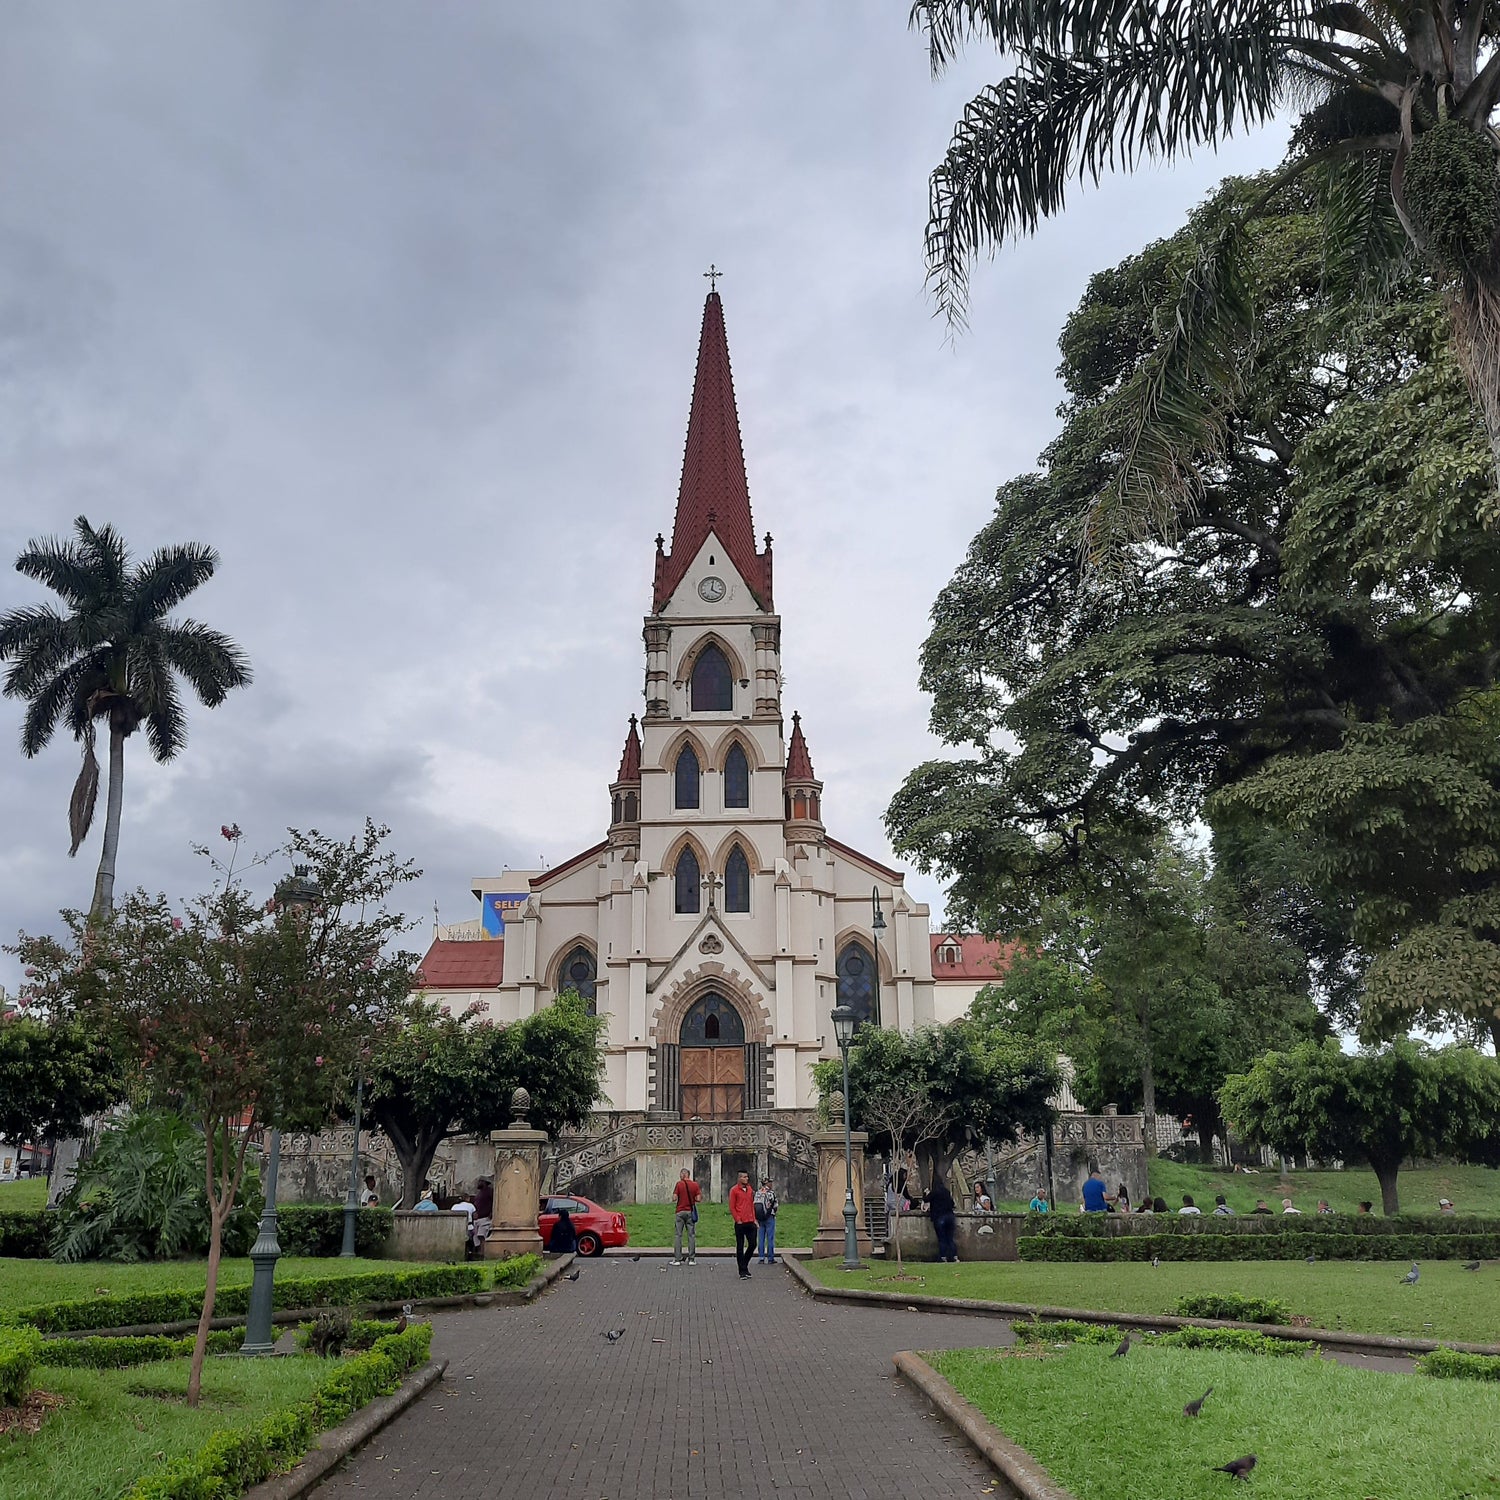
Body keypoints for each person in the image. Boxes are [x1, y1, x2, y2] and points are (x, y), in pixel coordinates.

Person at [729, 1170, 758, 1278]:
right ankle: (742, 1271)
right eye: (744, 1177)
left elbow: (751, 1205)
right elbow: (732, 1206)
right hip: (740, 1222)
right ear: (740, 1178)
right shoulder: (734, 1190)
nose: (747, 1179)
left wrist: (754, 1219)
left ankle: (744, 1264)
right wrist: (737, 1219)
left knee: (753, 1244)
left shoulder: (750, 1189)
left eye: (747, 1177)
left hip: (750, 1221)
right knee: (740, 1246)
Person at [671, 1168, 701, 1265]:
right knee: (691, 1235)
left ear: (683, 1174)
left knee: (678, 1235)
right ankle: (691, 1259)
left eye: (680, 1174)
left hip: (680, 1212)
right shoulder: (695, 1185)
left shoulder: (679, 1184)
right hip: (690, 1212)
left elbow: (674, 1198)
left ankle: (677, 1259)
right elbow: (698, 1199)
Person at [928, 1176, 959, 1262]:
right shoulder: (947, 1191)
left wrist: (926, 1193)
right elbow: (952, 1203)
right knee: (950, 1238)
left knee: (942, 1238)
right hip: (950, 1216)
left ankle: (943, 1257)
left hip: (940, 1217)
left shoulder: (934, 1192)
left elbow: (926, 1199)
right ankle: (954, 1256)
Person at [755, 1176, 780, 1264]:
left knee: (761, 1238)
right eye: (770, 1182)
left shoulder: (758, 1193)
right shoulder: (770, 1193)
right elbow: (775, 1205)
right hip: (769, 1217)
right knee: (770, 1238)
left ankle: (761, 1257)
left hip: (760, 1218)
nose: (771, 1184)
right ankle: (770, 1258)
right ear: (767, 1183)